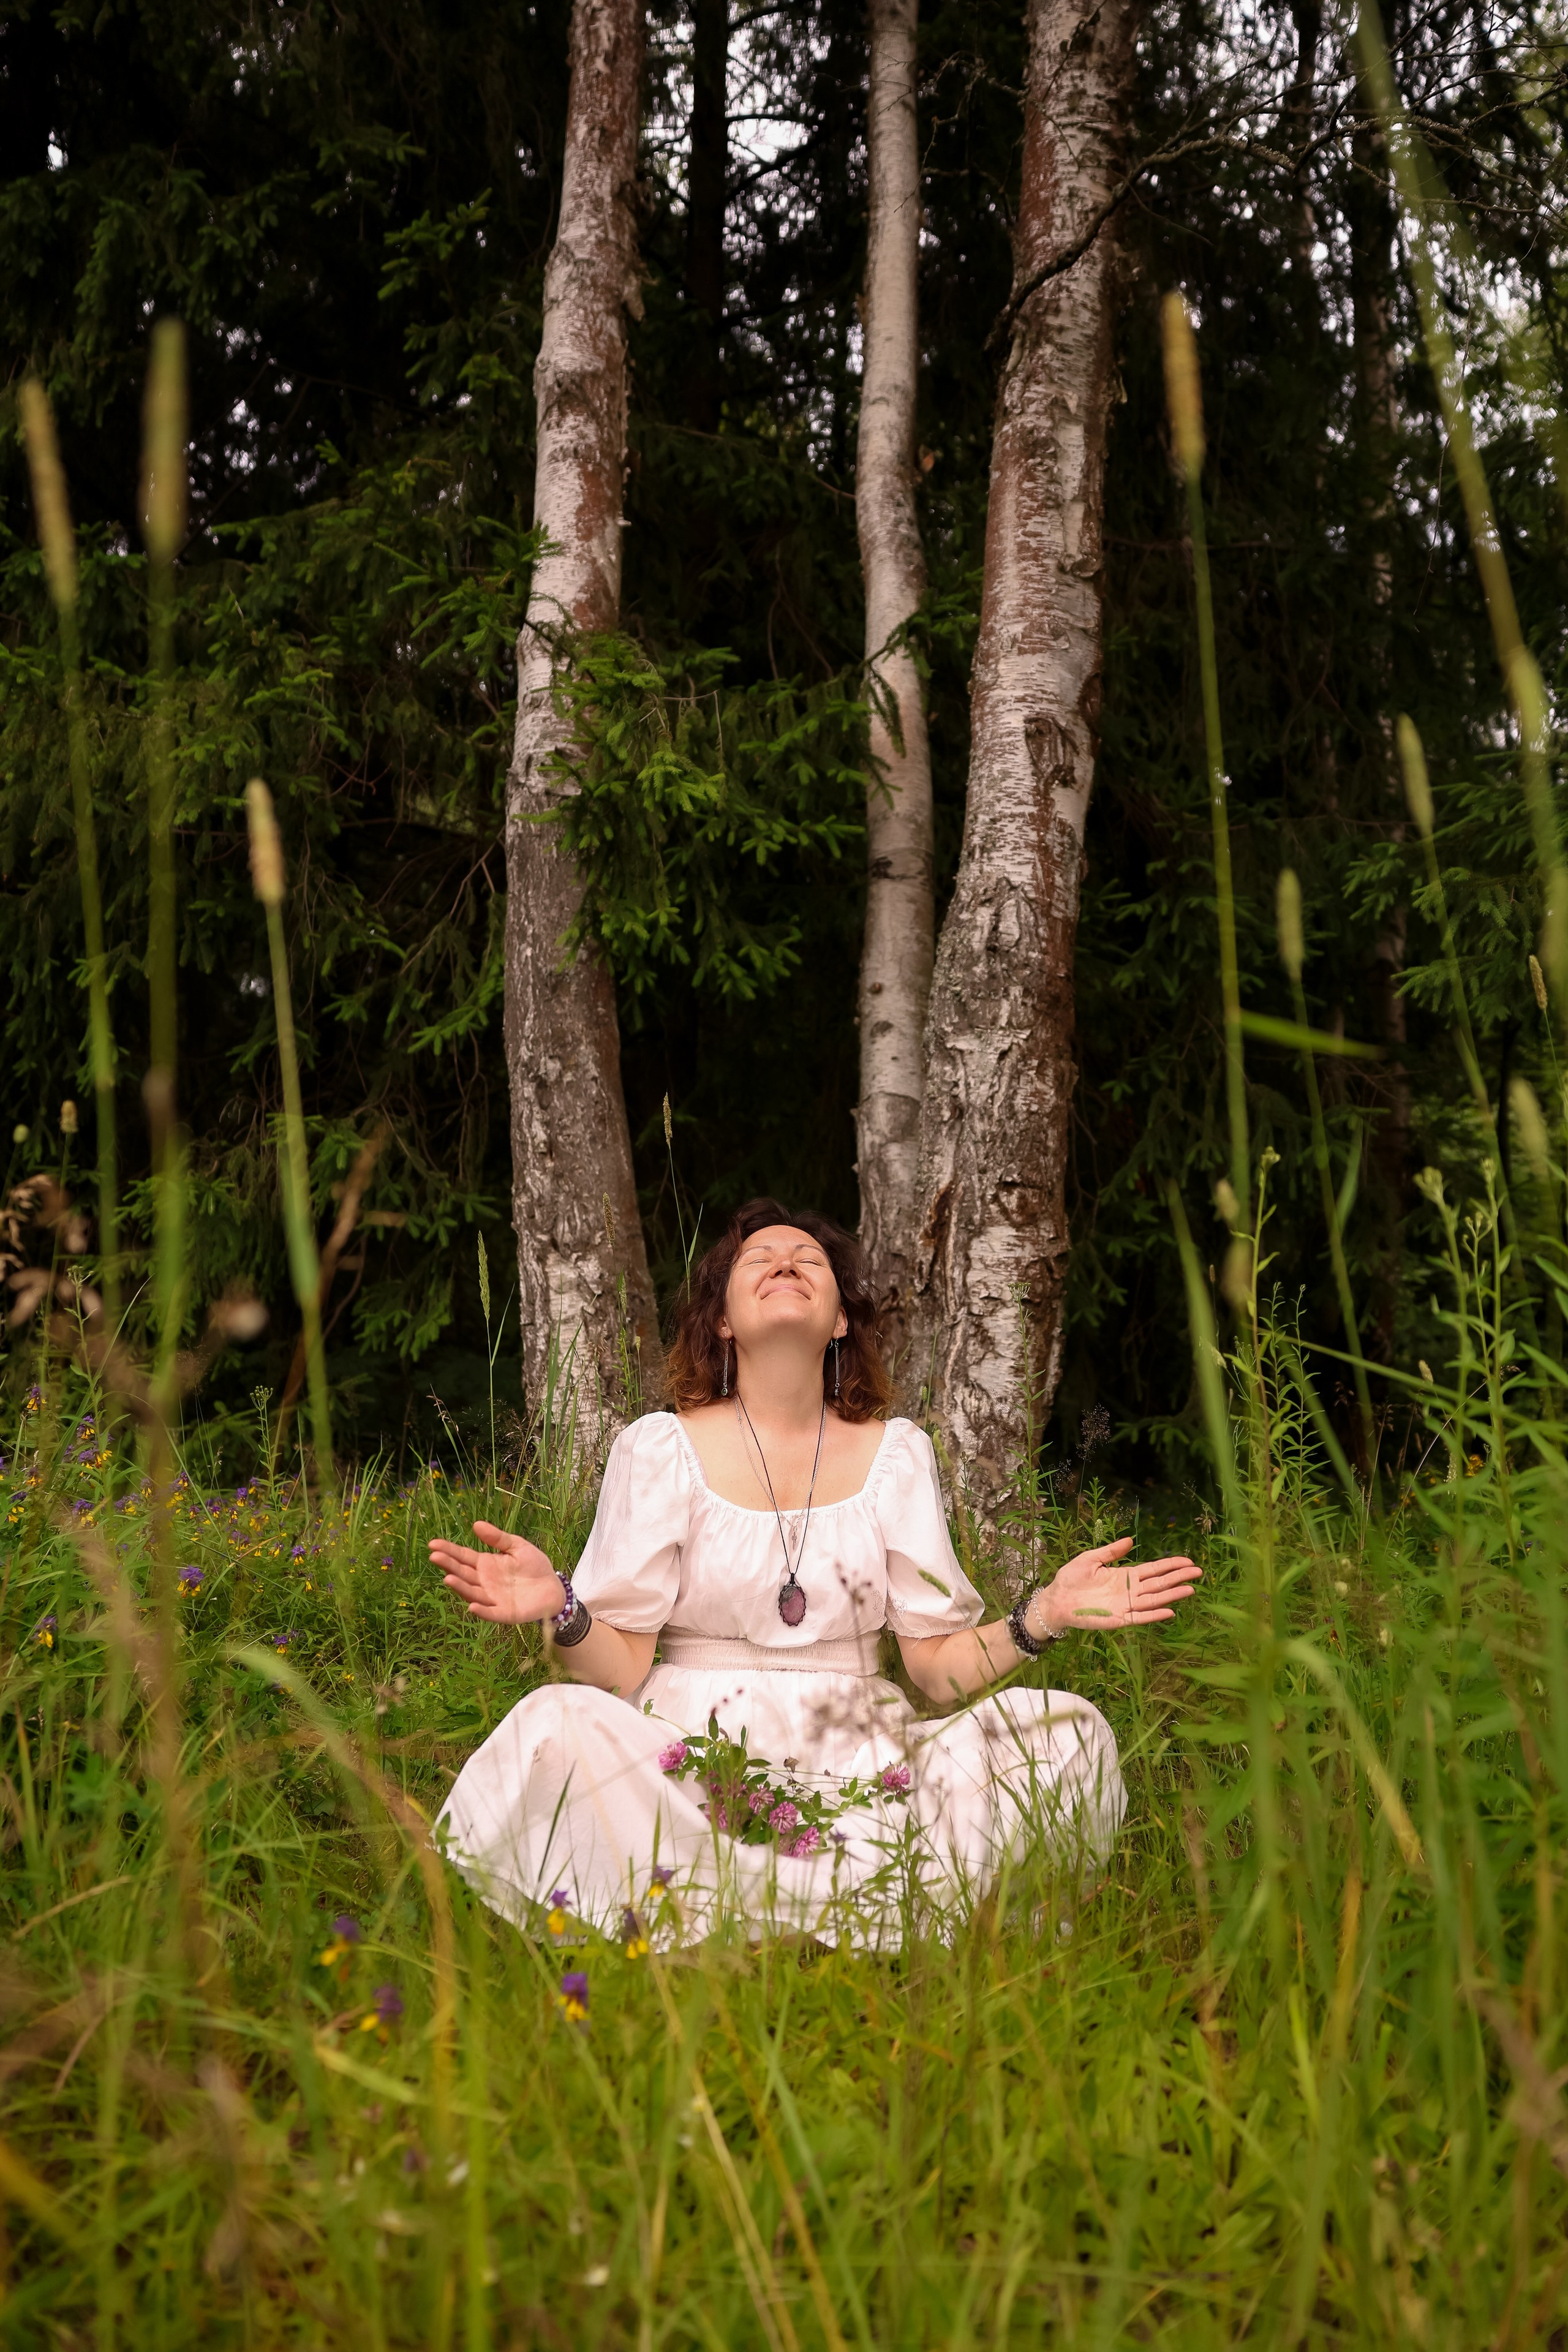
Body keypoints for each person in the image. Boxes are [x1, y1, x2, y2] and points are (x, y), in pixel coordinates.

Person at [429, 1200, 1199, 1947]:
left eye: (809, 1259)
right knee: (556, 1723)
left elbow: (935, 1672)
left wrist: (1045, 1615)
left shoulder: (898, 1453)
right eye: (758, 1258)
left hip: (866, 1766)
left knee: (1065, 1730)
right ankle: (837, 1917)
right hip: (693, 1767)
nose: (785, 1262)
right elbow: (620, 1666)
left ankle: (746, 1919)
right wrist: (560, 1606)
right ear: (723, 1320)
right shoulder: (658, 1448)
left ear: (838, 1320)